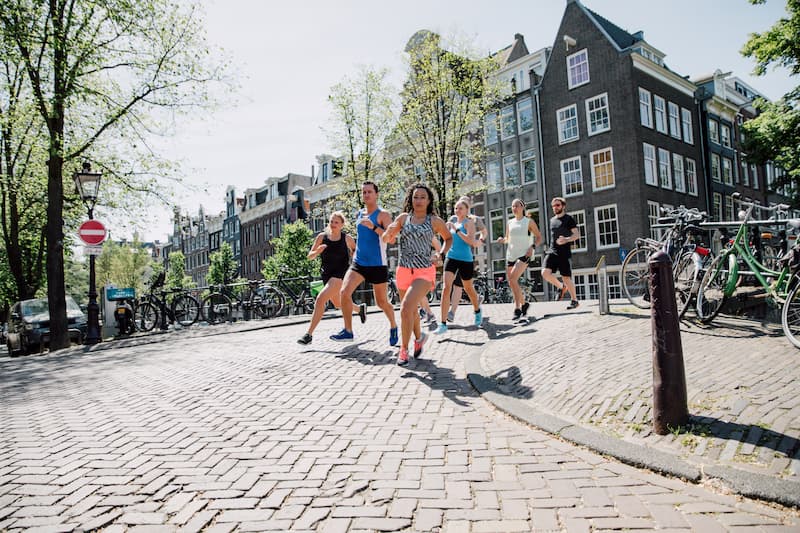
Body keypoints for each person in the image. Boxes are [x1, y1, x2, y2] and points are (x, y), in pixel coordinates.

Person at [382, 183, 452, 366]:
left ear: (428, 201)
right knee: (411, 311)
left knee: (406, 308)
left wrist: (440, 254)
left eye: (422, 197)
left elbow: (448, 238)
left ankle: (404, 351)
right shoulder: (403, 218)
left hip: (424, 271)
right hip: (403, 270)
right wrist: (387, 234)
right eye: (415, 197)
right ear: (410, 199)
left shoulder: (434, 221)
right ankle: (419, 338)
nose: (419, 200)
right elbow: (387, 238)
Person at [330, 182, 399, 344]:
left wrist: (373, 227)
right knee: (344, 292)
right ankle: (348, 331)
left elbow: (392, 239)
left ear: (376, 194)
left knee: (382, 302)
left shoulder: (383, 215)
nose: (366, 195)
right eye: (364, 192)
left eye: (369, 192)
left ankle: (394, 325)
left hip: (377, 264)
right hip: (359, 263)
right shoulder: (360, 213)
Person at [297, 212, 359, 345]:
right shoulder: (322, 237)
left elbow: (355, 251)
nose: (333, 224)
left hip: (340, 274)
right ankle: (360, 309)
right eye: (331, 221)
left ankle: (308, 335)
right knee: (337, 304)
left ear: (342, 225)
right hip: (326, 274)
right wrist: (317, 251)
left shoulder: (347, 238)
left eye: (336, 222)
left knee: (320, 300)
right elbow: (310, 256)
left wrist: (354, 259)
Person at [436, 199, 483, 334]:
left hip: (465, 260)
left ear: (467, 210)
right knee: (446, 288)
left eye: (460, 208)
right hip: (451, 258)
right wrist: (441, 253)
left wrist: (456, 230)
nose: (457, 211)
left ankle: (477, 310)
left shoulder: (469, 223)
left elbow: (470, 241)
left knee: (468, 288)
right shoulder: (452, 222)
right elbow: (448, 240)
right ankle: (443, 324)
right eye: (456, 208)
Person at [496, 198, 543, 320]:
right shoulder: (510, 222)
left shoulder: (529, 222)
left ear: (522, 207)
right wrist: (502, 240)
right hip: (510, 254)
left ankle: (517, 309)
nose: (514, 208)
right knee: (512, 282)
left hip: (524, 254)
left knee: (512, 279)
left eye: (517, 205)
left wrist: (532, 247)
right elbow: (508, 239)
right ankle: (524, 304)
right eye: (512, 206)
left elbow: (539, 237)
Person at [447, 196, 488, 322]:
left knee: (463, 286)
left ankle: (474, 305)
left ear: (468, 207)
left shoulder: (475, 219)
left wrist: (480, 241)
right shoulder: (453, 219)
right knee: (457, 285)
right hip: (453, 256)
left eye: (464, 205)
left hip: (467, 256)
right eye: (457, 207)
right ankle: (452, 312)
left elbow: (484, 232)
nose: (458, 209)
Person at [541, 196, 580, 310]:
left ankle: (574, 300)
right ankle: (561, 287)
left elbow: (577, 235)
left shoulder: (569, 219)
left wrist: (566, 239)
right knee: (545, 273)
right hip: (552, 251)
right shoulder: (552, 221)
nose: (555, 207)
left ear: (563, 206)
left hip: (564, 253)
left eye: (557, 205)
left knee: (566, 278)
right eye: (553, 206)